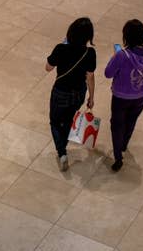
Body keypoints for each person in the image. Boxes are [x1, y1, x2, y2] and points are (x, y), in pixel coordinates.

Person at [104, 19, 143, 172]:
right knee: (131, 121)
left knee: (117, 125)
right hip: (141, 95)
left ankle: (118, 158)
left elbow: (108, 73)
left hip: (121, 97)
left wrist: (116, 57)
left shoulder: (122, 55)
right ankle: (124, 144)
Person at [45, 17, 96, 172]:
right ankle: (63, 147)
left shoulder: (60, 48)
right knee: (68, 121)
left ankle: (62, 153)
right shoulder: (90, 53)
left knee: (54, 121)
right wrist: (91, 97)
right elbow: (90, 76)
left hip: (61, 91)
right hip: (79, 93)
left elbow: (48, 68)